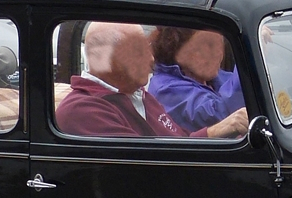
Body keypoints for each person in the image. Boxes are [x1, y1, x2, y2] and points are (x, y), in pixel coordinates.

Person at [55, 22, 248, 139]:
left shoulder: (139, 96)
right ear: (108, 60)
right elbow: (148, 165)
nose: (151, 58)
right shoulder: (83, 111)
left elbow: (180, 140)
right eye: (138, 52)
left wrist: (223, 129)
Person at [147, 27, 245, 133]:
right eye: (208, 46)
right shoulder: (165, 89)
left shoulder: (214, 78)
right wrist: (247, 56)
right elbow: (220, 114)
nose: (219, 53)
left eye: (221, 44)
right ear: (176, 49)